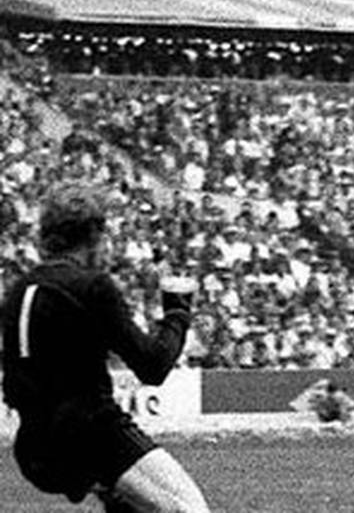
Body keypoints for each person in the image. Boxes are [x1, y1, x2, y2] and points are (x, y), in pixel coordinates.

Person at [0, 182, 209, 512]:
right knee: (188, 509)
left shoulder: (19, 290)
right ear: (94, 235)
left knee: (131, 507)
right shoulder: (92, 286)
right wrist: (177, 314)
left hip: (34, 445)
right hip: (93, 434)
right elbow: (153, 366)